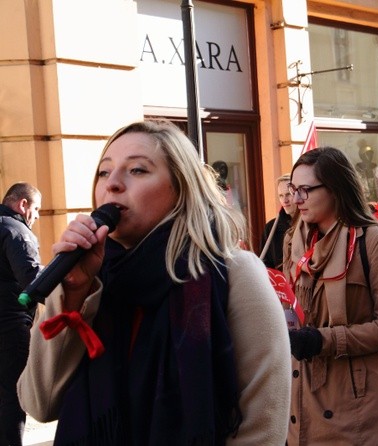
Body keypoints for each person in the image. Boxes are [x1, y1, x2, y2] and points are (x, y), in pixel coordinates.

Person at [17, 120, 291, 445]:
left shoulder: (235, 274)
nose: (113, 184)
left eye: (137, 170)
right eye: (104, 172)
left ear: (181, 187)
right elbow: (40, 403)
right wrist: (73, 294)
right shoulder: (90, 281)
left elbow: (262, 428)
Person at [283, 146, 378, 445]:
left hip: (358, 407)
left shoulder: (375, 241)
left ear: (336, 188)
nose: (296, 199)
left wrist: (322, 340)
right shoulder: (293, 239)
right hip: (301, 398)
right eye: (292, 189)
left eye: (305, 190)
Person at [0, 182, 41, 446]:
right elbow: (32, 279)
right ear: (23, 204)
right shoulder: (16, 230)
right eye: (36, 209)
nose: (36, 217)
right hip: (9, 327)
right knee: (12, 397)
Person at [260, 174, 296, 269]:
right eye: (281, 195)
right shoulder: (271, 228)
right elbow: (265, 265)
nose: (284, 200)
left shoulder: (311, 224)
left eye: (288, 194)